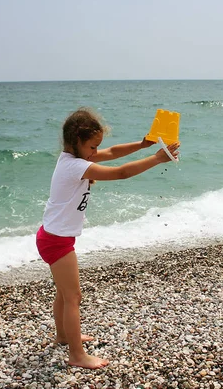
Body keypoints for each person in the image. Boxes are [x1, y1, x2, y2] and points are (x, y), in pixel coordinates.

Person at [36, 107, 180, 369]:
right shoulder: (75, 166)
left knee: (64, 294)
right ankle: (77, 355)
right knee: (73, 297)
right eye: (92, 147)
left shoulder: (71, 159)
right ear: (76, 141)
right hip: (56, 241)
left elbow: (113, 153)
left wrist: (142, 144)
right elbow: (120, 172)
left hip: (52, 236)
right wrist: (157, 159)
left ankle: (64, 336)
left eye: (96, 147)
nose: (96, 152)